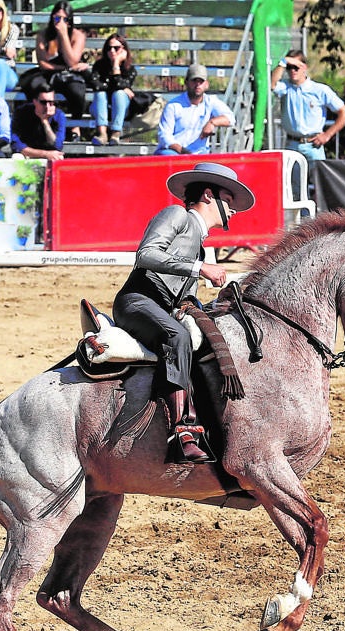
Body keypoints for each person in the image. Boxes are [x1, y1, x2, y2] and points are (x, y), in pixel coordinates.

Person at [112, 162, 254, 463]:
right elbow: (146, 254)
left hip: (157, 307)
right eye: (228, 201)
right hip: (137, 300)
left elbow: (184, 298)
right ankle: (182, 431)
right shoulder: (176, 214)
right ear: (207, 195)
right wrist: (200, 268)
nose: (232, 211)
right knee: (177, 337)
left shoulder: (200, 247)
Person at [270, 49, 345, 160]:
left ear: (304, 67)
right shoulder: (285, 87)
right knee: (292, 177)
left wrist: (327, 135)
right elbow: (272, 84)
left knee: (317, 177)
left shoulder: (320, 90)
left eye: (296, 67)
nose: (292, 71)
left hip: (313, 146)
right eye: (289, 67)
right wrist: (283, 61)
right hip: (292, 145)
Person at [34, 1, 89, 142]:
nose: (60, 22)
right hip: (50, 72)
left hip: (70, 75)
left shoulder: (78, 36)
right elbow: (43, 63)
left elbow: (72, 61)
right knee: (36, 88)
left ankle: (75, 125)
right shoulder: (44, 35)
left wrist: (64, 36)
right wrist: (63, 68)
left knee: (77, 91)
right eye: (57, 18)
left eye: (65, 19)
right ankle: (39, 125)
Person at [155, 64, 234, 155]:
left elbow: (231, 118)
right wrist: (181, 150)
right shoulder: (173, 105)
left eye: (201, 81)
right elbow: (164, 136)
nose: (197, 85)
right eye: (194, 81)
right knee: (167, 155)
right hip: (174, 151)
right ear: (186, 82)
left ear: (206, 84)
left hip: (200, 152)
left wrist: (212, 122)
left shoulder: (211, 102)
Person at [91, 33, 137, 145]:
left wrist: (116, 64)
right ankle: (102, 134)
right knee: (101, 94)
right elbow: (95, 85)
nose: (112, 51)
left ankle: (115, 133)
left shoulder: (130, 69)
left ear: (124, 50)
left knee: (119, 94)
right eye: (109, 47)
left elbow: (122, 85)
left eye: (116, 48)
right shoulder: (98, 66)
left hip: (121, 108)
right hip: (100, 107)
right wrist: (120, 87)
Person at [11, 89, 67, 160]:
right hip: (27, 153)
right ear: (35, 101)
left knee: (58, 157)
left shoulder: (59, 115)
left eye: (51, 102)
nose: (47, 106)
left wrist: (45, 121)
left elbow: (57, 146)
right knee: (16, 157)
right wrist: (45, 154)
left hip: (49, 152)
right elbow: (16, 145)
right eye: (43, 102)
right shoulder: (21, 113)